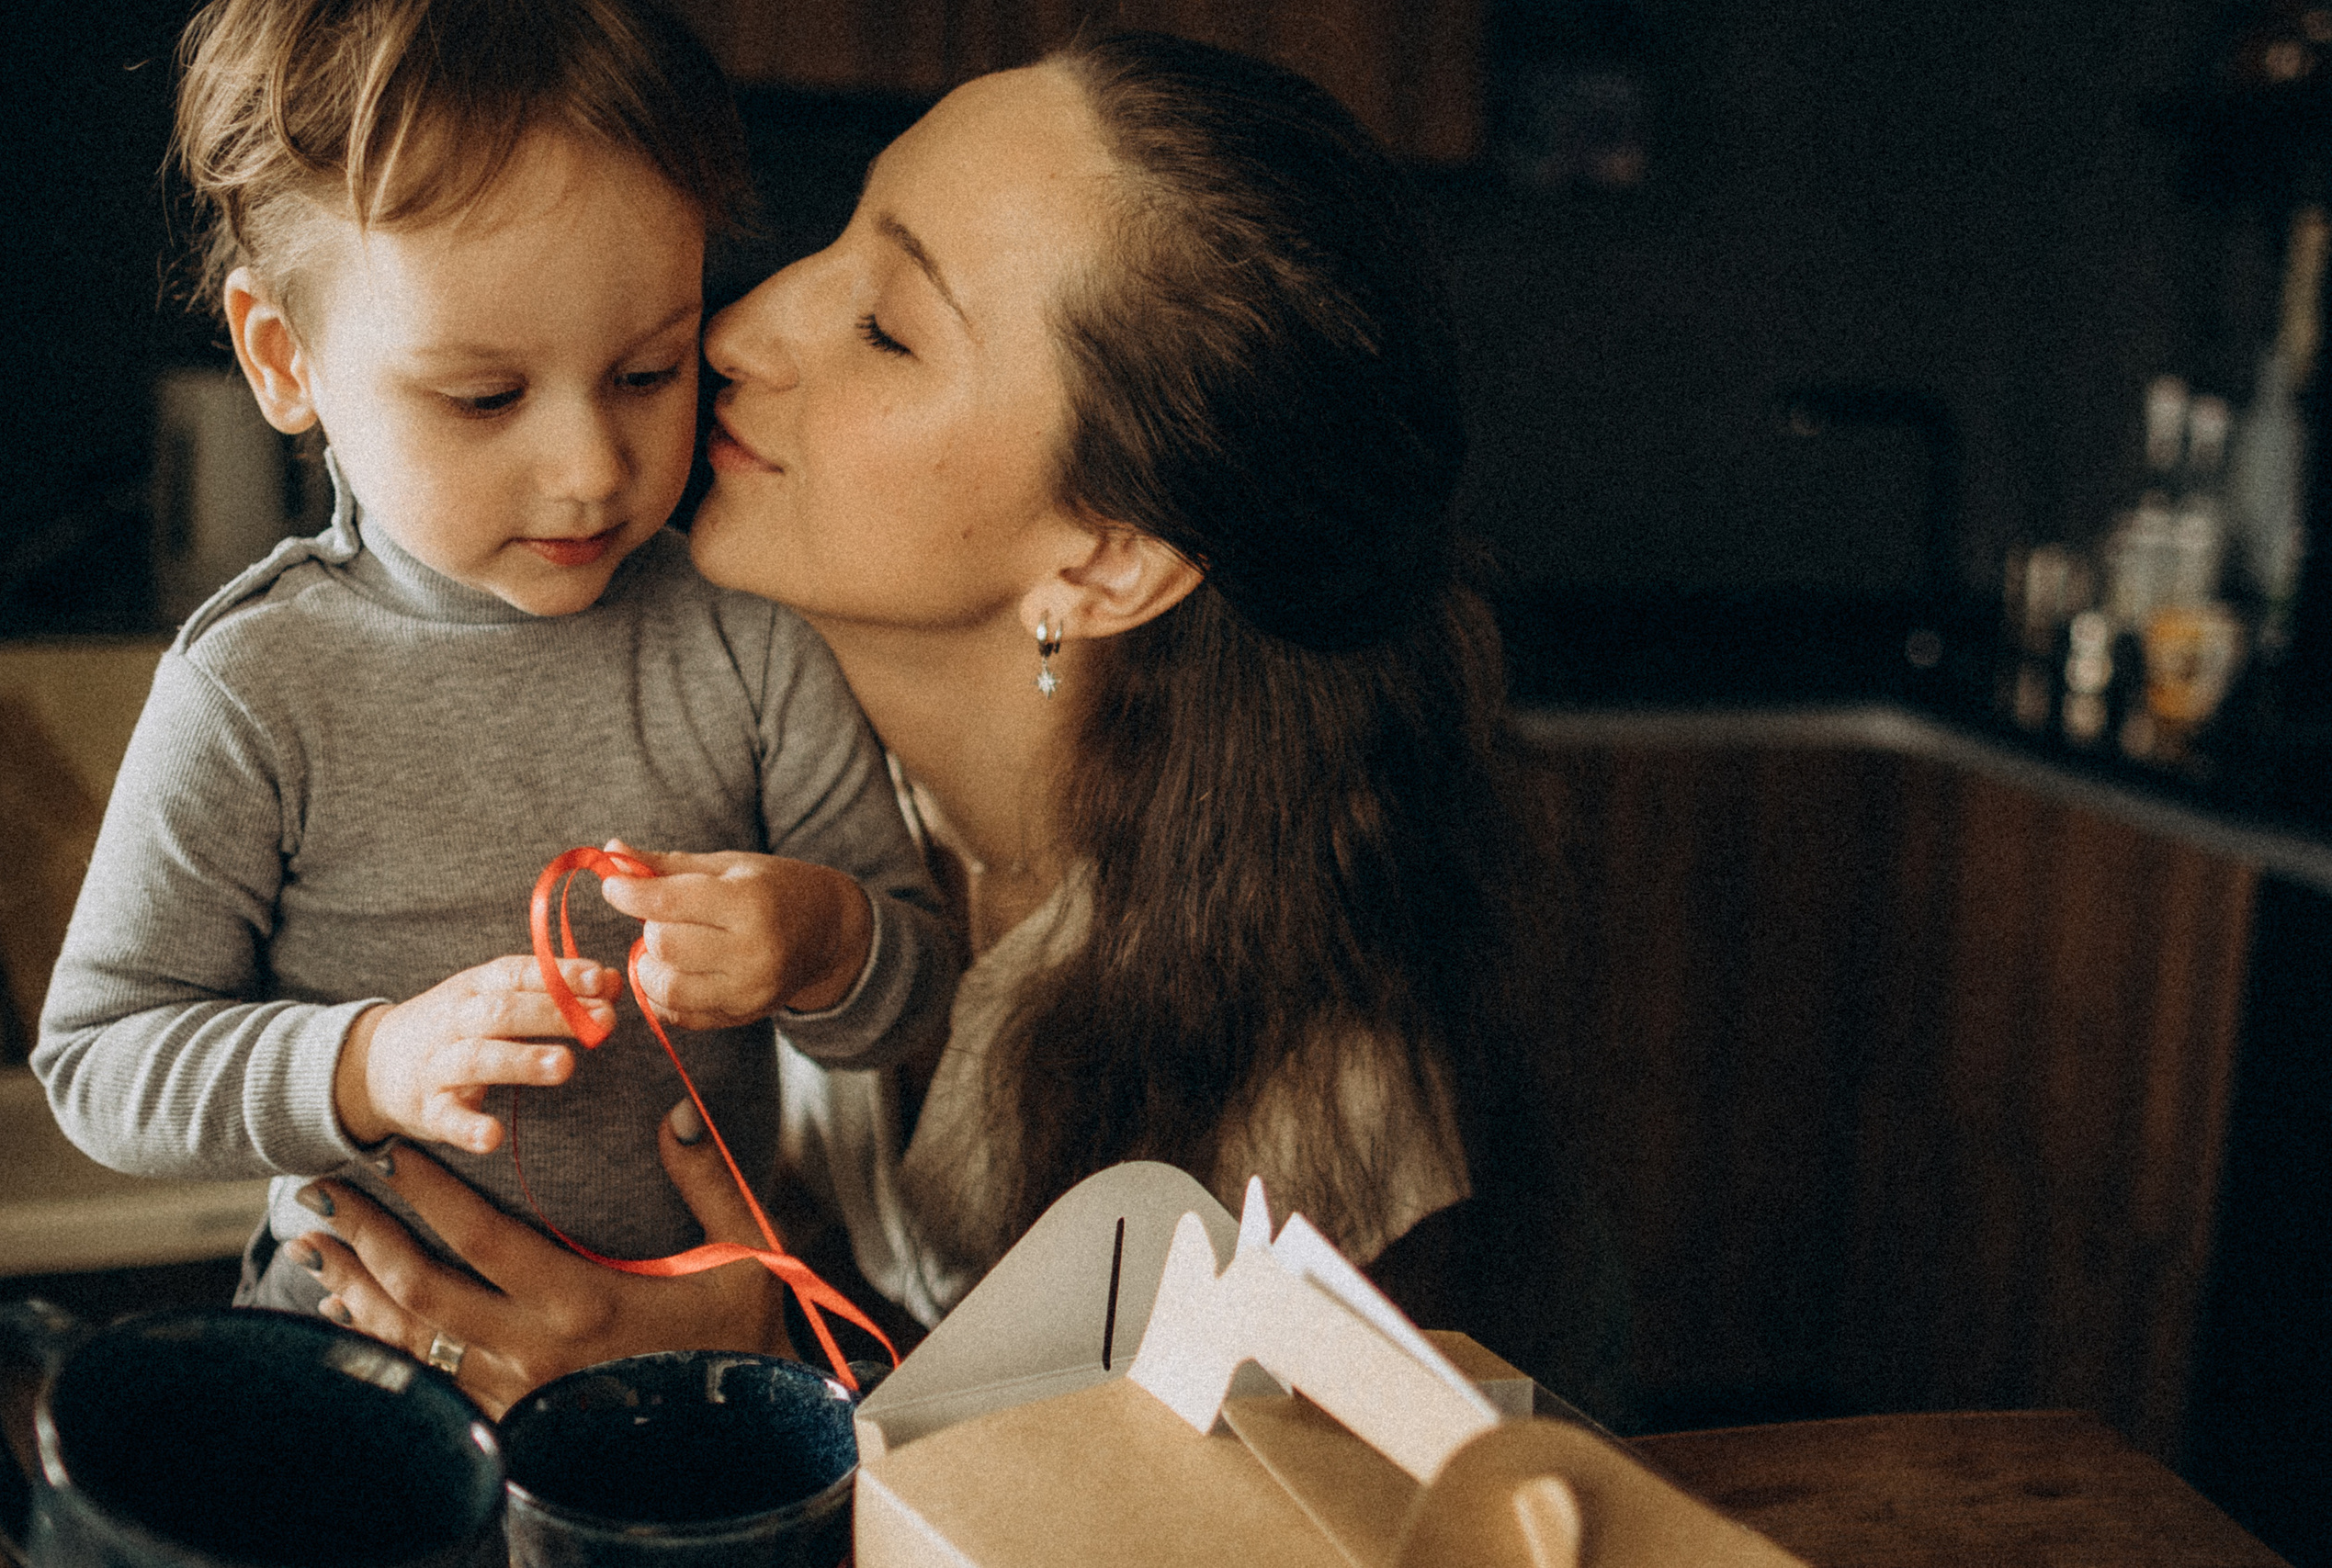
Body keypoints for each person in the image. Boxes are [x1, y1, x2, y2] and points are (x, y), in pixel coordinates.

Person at [283, 31, 1631, 1423]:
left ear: (1104, 557)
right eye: (840, 236)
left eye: (887, 328)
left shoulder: (1321, 1112)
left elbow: (1186, 1514)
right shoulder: (757, 754)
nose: (736, 333)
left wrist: (761, 1384)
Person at [33, 0, 954, 1338]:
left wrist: (818, 939)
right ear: (286, 359)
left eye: (647, 373)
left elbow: (911, 993)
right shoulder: (256, 685)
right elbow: (99, 1063)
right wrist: (364, 1065)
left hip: (690, 1392)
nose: (590, 469)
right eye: (486, 398)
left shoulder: (748, 637)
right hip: (357, 1372)